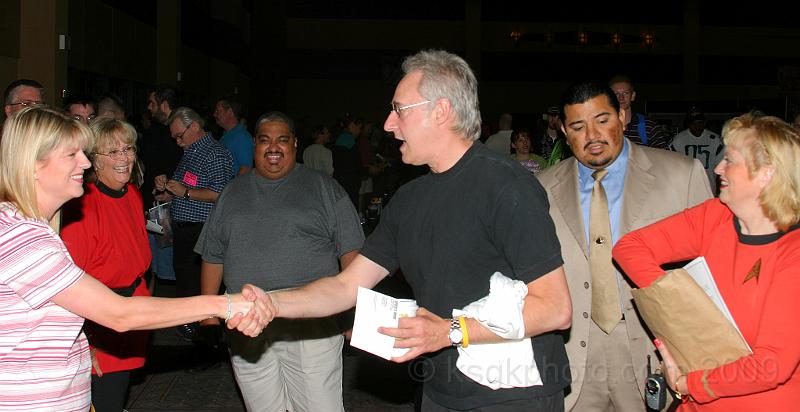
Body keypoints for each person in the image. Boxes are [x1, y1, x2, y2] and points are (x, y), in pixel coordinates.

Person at [261, 49, 572, 411]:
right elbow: (346, 286)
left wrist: (448, 332)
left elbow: (554, 308)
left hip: (513, 393)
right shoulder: (409, 199)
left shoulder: (506, 186)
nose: (389, 124)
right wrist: (270, 303)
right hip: (439, 389)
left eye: (399, 110)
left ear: (440, 111)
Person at [0, 106, 268, 411]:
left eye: (86, 153)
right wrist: (225, 304)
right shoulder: (24, 239)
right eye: (72, 155)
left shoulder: (28, 228)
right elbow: (119, 313)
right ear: (33, 165)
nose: (85, 162)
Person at [536, 81, 712, 411]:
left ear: (622, 115)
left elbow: (711, 274)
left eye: (602, 120)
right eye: (578, 126)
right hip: (573, 357)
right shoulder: (541, 189)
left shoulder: (681, 175)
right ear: (562, 130)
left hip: (656, 354)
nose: (592, 136)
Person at [613, 112, 800, 410]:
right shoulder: (716, 216)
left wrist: (691, 383)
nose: (718, 168)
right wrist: (677, 303)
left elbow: (771, 365)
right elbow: (630, 248)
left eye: (730, 160)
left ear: (766, 173)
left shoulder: (793, 253)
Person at [196, 111, 364, 412]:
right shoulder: (232, 193)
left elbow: (351, 253)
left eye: (282, 140)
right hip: (246, 323)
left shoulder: (325, 188)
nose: (273, 147)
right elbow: (213, 255)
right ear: (255, 147)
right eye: (265, 140)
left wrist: (352, 310)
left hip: (311, 322)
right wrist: (209, 314)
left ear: (295, 144)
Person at [60, 118, 149, 411]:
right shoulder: (83, 206)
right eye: (112, 152)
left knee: (117, 393)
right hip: (97, 323)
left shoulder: (133, 195)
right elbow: (68, 285)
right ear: (93, 161)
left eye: (128, 149)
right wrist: (84, 342)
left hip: (131, 313)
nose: (124, 158)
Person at [154, 107, 234, 342]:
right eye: (175, 138)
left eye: (180, 135)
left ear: (195, 127)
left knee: (200, 291)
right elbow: (190, 185)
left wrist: (186, 192)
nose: (178, 142)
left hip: (201, 230)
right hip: (186, 229)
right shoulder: (192, 151)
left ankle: (205, 343)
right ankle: (196, 337)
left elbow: (221, 194)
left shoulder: (215, 154)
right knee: (188, 288)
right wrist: (169, 191)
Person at [670, 108, 724, 193]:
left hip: (708, 188)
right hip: (685, 189)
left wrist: (719, 189)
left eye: (700, 122)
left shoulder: (715, 140)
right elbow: (671, 166)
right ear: (688, 124)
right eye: (693, 123)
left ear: (704, 123)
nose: (697, 126)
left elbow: (721, 168)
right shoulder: (678, 140)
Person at [608, 75, 670, 149]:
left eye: (625, 93)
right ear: (609, 97)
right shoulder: (601, 127)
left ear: (633, 96)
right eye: (616, 94)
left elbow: (663, 157)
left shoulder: (649, 127)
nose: (621, 97)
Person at [213, 96, 254, 176]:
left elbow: (246, 170)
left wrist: (233, 188)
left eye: (218, 111)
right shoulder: (227, 135)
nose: (214, 114)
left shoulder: (241, 137)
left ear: (229, 111)